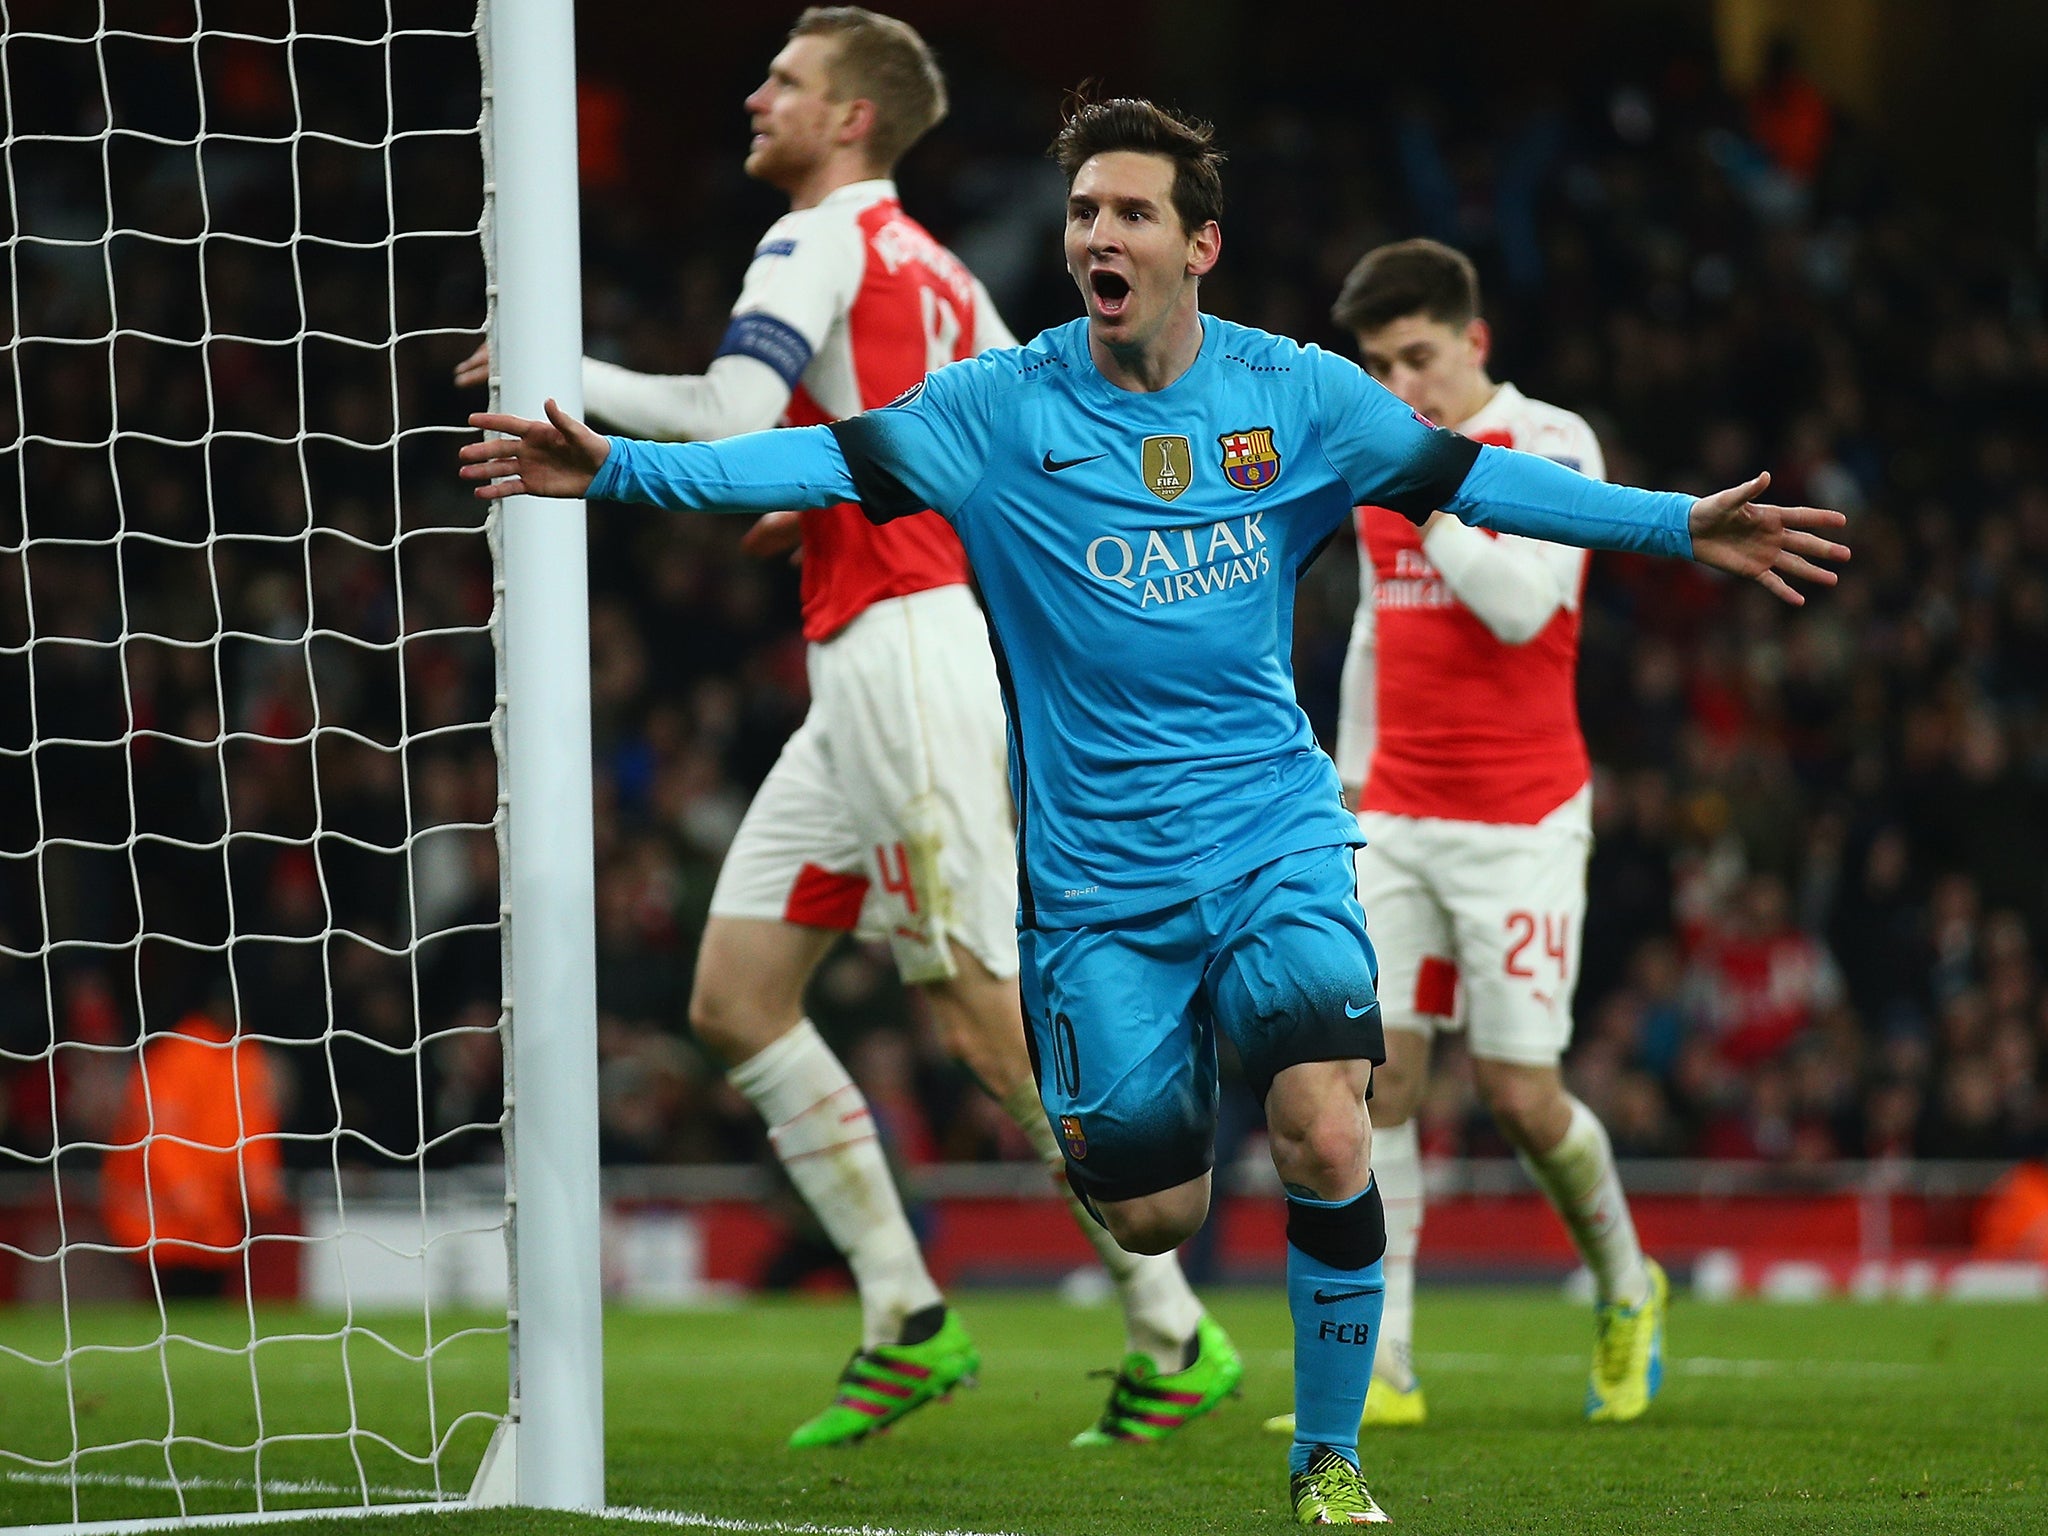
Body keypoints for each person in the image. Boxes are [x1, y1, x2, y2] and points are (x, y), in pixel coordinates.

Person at [459, 95, 1848, 1527]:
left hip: (1272, 835)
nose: (1098, 234)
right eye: (1083, 213)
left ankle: (1327, 1461)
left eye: (1130, 212)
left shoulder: (1297, 397)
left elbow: (1479, 483)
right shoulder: (999, 413)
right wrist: (615, 467)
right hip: (1100, 887)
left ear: (1201, 245)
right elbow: (814, 460)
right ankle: (1169, 1188)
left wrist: (1681, 524)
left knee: (1326, 1122)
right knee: (1152, 1210)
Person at [458, 9, 1231, 1450]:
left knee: (974, 1001)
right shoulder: (938, 271)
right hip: (867, 657)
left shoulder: (817, 240)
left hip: (904, 658)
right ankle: (904, 1310)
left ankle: (1172, 1322)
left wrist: (558, 372)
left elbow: (725, 402)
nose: (756, 96)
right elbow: (1013, 441)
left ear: (854, 119)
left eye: (788, 83)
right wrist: (836, 491)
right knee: (738, 997)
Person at [1262, 237, 1663, 1443]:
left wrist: (1418, 487)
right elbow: (1384, 639)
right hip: (1395, 817)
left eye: (1419, 358)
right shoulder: (1388, 458)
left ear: (1473, 341)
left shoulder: (1549, 444)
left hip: (1522, 823)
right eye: (1379, 366)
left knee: (1522, 1096)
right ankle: (1383, 1362)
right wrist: (1339, 794)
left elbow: (1521, 604)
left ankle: (1626, 1289)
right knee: (1377, 1078)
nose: (1402, 387)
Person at [100, 1002, 284, 1301]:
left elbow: (254, 1128)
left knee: (202, 1311)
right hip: (159, 1220)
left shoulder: (244, 1057)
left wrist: (258, 1190)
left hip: (212, 1221)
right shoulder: (177, 1055)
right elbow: (160, 1137)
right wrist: (194, 1200)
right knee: (160, 1312)